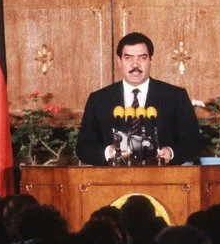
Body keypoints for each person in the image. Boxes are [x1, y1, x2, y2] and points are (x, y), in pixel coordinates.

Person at [77, 32, 202, 166]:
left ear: (150, 60)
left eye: (142, 58)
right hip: (114, 180)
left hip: (163, 179)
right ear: (119, 61)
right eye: (128, 58)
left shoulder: (175, 96)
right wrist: (109, 152)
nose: (135, 64)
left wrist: (171, 152)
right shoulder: (99, 99)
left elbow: (193, 141)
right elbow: (83, 147)